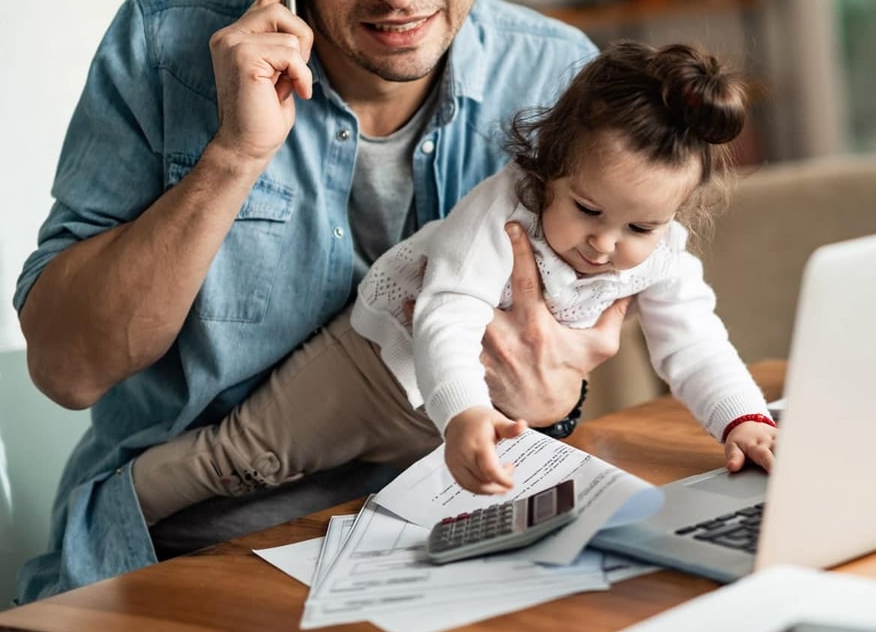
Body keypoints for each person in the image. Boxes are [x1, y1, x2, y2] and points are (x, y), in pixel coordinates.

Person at [12, 0, 619, 603]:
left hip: (454, 532)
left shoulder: (560, 79)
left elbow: (575, 348)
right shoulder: (159, 53)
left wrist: (559, 394)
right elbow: (68, 370)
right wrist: (233, 155)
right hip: (189, 550)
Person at [130, 39, 776, 523]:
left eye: (642, 227)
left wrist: (742, 421)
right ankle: (119, 508)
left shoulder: (662, 256)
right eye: (587, 210)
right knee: (243, 461)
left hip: (458, 417)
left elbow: (695, 344)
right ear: (550, 168)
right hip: (375, 368)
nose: (606, 245)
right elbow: (448, 315)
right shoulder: (503, 210)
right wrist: (466, 413)